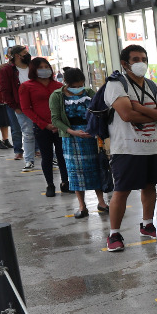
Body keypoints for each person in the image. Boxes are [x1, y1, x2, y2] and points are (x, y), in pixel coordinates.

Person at [104, 45, 157, 253]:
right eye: (135, 59)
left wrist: (139, 107)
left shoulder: (153, 86)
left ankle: (147, 224)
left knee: (150, 186)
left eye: (144, 58)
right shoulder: (117, 85)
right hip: (127, 149)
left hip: (154, 147)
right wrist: (153, 112)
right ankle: (114, 233)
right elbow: (126, 115)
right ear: (125, 64)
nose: (141, 63)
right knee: (121, 191)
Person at [49, 67, 108, 219]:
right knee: (75, 173)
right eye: (74, 86)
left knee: (96, 169)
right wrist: (72, 132)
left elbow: (100, 111)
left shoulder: (89, 93)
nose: (78, 89)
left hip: (91, 137)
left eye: (80, 85)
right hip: (71, 138)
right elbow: (55, 119)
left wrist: (95, 129)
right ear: (66, 83)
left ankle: (101, 202)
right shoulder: (57, 96)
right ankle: (82, 206)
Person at [19, 57, 68, 198]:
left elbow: (65, 105)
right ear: (34, 70)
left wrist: (60, 124)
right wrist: (44, 124)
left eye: (47, 67)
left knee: (62, 156)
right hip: (41, 127)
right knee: (46, 157)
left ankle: (65, 182)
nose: (45, 69)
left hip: (60, 127)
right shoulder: (26, 86)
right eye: (41, 67)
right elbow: (26, 109)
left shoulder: (59, 86)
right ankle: (50, 185)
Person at [0, 45, 37, 168]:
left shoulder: (33, 67)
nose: (27, 54)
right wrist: (15, 107)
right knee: (27, 132)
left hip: (37, 104)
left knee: (42, 131)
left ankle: (44, 153)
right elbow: (5, 90)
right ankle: (28, 158)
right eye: (24, 52)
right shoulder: (7, 71)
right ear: (17, 55)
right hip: (21, 106)